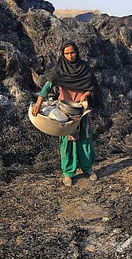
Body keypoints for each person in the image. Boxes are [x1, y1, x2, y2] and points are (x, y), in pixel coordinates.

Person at [32, 40, 101, 186]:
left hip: (82, 109)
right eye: (67, 53)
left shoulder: (84, 68)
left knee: (85, 140)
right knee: (67, 142)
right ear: (63, 55)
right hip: (65, 111)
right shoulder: (60, 70)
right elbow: (48, 85)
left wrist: (86, 94)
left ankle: (88, 169)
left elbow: (93, 86)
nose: (70, 56)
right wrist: (38, 102)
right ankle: (68, 173)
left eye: (73, 52)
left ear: (77, 52)